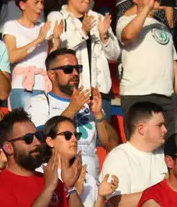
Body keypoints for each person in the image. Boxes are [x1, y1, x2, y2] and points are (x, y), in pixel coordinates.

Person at [26, 48, 114, 188]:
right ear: (52, 75)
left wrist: (98, 115)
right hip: (58, 186)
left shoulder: (89, 104)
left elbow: (112, 145)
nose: (75, 73)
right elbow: (42, 142)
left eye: (77, 68)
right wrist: (73, 108)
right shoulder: (40, 101)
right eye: (68, 69)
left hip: (91, 186)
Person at [116, 0, 177, 137]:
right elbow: (127, 35)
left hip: (166, 96)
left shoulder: (162, 26)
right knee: (139, 145)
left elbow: (173, 61)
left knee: (168, 147)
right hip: (137, 93)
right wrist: (146, 9)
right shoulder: (125, 20)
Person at [46, 0, 120, 97]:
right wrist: (82, 31)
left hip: (100, 91)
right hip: (73, 91)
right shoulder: (57, 17)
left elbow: (114, 55)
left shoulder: (99, 18)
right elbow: (55, 54)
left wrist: (105, 37)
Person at [1, 0, 52, 110]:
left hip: (45, 88)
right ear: (22, 5)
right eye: (36, 2)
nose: (40, 7)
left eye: (42, 2)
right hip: (21, 87)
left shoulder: (44, 27)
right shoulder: (11, 26)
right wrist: (39, 40)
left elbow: (50, 60)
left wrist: (56, 41)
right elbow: (11, 57)